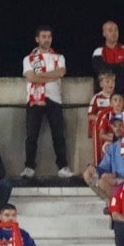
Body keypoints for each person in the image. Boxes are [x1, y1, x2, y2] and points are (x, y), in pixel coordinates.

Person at [21, 26, 72, 179]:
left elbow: (61, 72)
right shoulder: (28, 58)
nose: (47, 39)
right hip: (34, 99)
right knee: (31, 135)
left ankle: (63, 166)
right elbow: (32, 77)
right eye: (43, 36)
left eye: (49, 36)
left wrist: (41, 75)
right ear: (37, 39)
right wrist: (51, 76)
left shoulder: (59, 57)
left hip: (54, 98)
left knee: (58, 135)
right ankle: (29, 167)